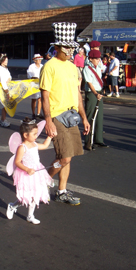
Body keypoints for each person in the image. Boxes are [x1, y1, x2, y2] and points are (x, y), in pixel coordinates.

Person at [39, 22, 90, 205]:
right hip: (56, 116)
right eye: (67, 48)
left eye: (72, 48)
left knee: (69, 157)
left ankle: (61, 191)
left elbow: (77, 93)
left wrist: (84, 117)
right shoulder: (49, 66)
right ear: (58, 47)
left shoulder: (72, 67)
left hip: (72, 116)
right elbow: (44, 96)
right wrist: (48, 120)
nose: (70, 51)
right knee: (65, 157)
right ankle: (43, 179)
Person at [6, 117, 53, 224]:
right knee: (25, 197)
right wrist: (27, 169)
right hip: (26, 174)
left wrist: (50, 137)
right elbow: (17, 162)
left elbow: (45, 145)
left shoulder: (35, 144)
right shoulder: (22, 147)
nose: (37, 136)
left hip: (37, 172)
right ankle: (13, 205)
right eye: (34, 134)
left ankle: (30, 216)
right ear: (25, 135)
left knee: (34, 195)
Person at [83, 50, 108, 150]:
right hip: (92, 93)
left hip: (99, 91)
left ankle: (98, 139)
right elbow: (89, 83)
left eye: (99, 58)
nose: (99, 60)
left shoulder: (98, 67)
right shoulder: (87, 69)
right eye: (96, 59)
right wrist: (95, 93)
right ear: (90, 59)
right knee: (90, 116)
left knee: (99, 116)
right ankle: (88, 141)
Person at [0, 53, 11, 127]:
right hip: (3, 90)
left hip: (7, 88)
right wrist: (7, 93)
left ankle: (3, 119)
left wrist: (9, 79)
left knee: (6, 106)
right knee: (4, 105)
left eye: (7, 60)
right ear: (2, 61)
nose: (7, 61)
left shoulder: (5, 69)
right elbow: (3, 83)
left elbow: (9, 77)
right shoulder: (0, 71)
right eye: (5, 60)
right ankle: (3, 120)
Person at [27, 54, 44, 120]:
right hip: (34, 84)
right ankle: (33, 113)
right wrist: (34, 77)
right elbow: (29, 75)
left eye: (40, 59)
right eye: (38, 60)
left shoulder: (42, 66)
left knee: (40, 99)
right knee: (34, 99)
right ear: (35, 60)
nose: (40, 61)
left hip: (40, 84)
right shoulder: (31, 66)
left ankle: (38, 113)